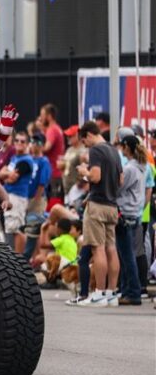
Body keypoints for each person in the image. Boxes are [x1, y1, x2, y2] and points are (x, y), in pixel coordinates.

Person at [74, 120, 122, 306]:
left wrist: (83, 171)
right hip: (112, 205)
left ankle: (99, 293)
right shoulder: (114, 150)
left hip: (97, 204)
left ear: (89, 135)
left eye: (84, 141)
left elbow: (95, 176)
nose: (85, 145)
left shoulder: (96, 150)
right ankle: (112, 293)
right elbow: (121, 179)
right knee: (111, 248)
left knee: (98, 248)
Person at [114, 135, 147, 305]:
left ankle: (132, 292)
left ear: (126, 147)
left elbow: (119, 189)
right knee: (129, 255)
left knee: (126, 256)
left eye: (121, 145)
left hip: (125, 214)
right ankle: (127, 290)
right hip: (135, 213)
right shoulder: (142, 167)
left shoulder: (129, 169)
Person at [0, 132, 36, 254]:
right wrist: (7, 174)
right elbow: (0, 173)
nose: (19, 143)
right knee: (10, 227)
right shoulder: (14, 158)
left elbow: (11, 178)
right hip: (9, 195)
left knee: (16, 229)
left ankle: (20, 260)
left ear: (27, 144)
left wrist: (6, 174)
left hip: (17, 197)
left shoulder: (26, 161)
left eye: (23, 141)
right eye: (17, 141)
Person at [38, 103, 65, 177]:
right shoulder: (56, 128)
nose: (40, 118)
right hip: (55, 172)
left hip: (53, 173)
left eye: (42, 115)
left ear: (49, 116)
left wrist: (34, 148)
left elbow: (46, 148)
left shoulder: (52, 130)